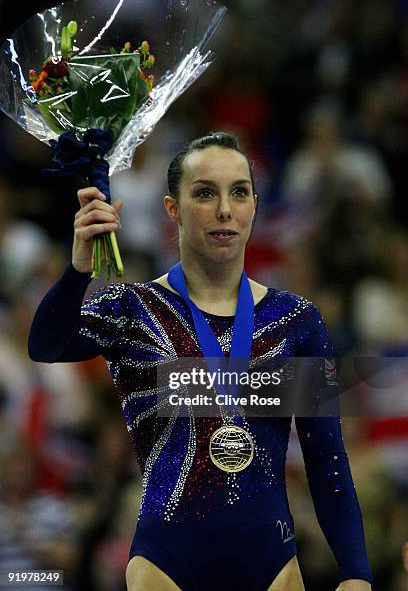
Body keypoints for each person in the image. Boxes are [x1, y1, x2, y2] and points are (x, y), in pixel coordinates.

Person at [28, 132, 373, 591]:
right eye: (205, 193)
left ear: (255, 204)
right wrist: (77, 270)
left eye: (239, 192)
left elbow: (326, 458)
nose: (225, 210)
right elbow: (46, 346)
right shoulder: (134, 310)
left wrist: (355, 573)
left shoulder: (296, 322)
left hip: (274, 568)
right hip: (166, 567)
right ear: (173, 209)